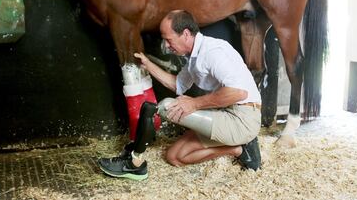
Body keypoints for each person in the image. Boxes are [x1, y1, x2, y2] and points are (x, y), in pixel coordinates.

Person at [98, 10, 262, 181]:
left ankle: (134, 162)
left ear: (185, 34)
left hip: (242, 119)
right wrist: (148, 64)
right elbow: (177, 84)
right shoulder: (194, 56)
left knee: (165, 106)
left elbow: (238, 92)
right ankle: (239, 149)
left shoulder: (213, 52)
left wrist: (194, 104)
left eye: (169, 40)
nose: (166, 46)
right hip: (226, 113)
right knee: (174, 157)